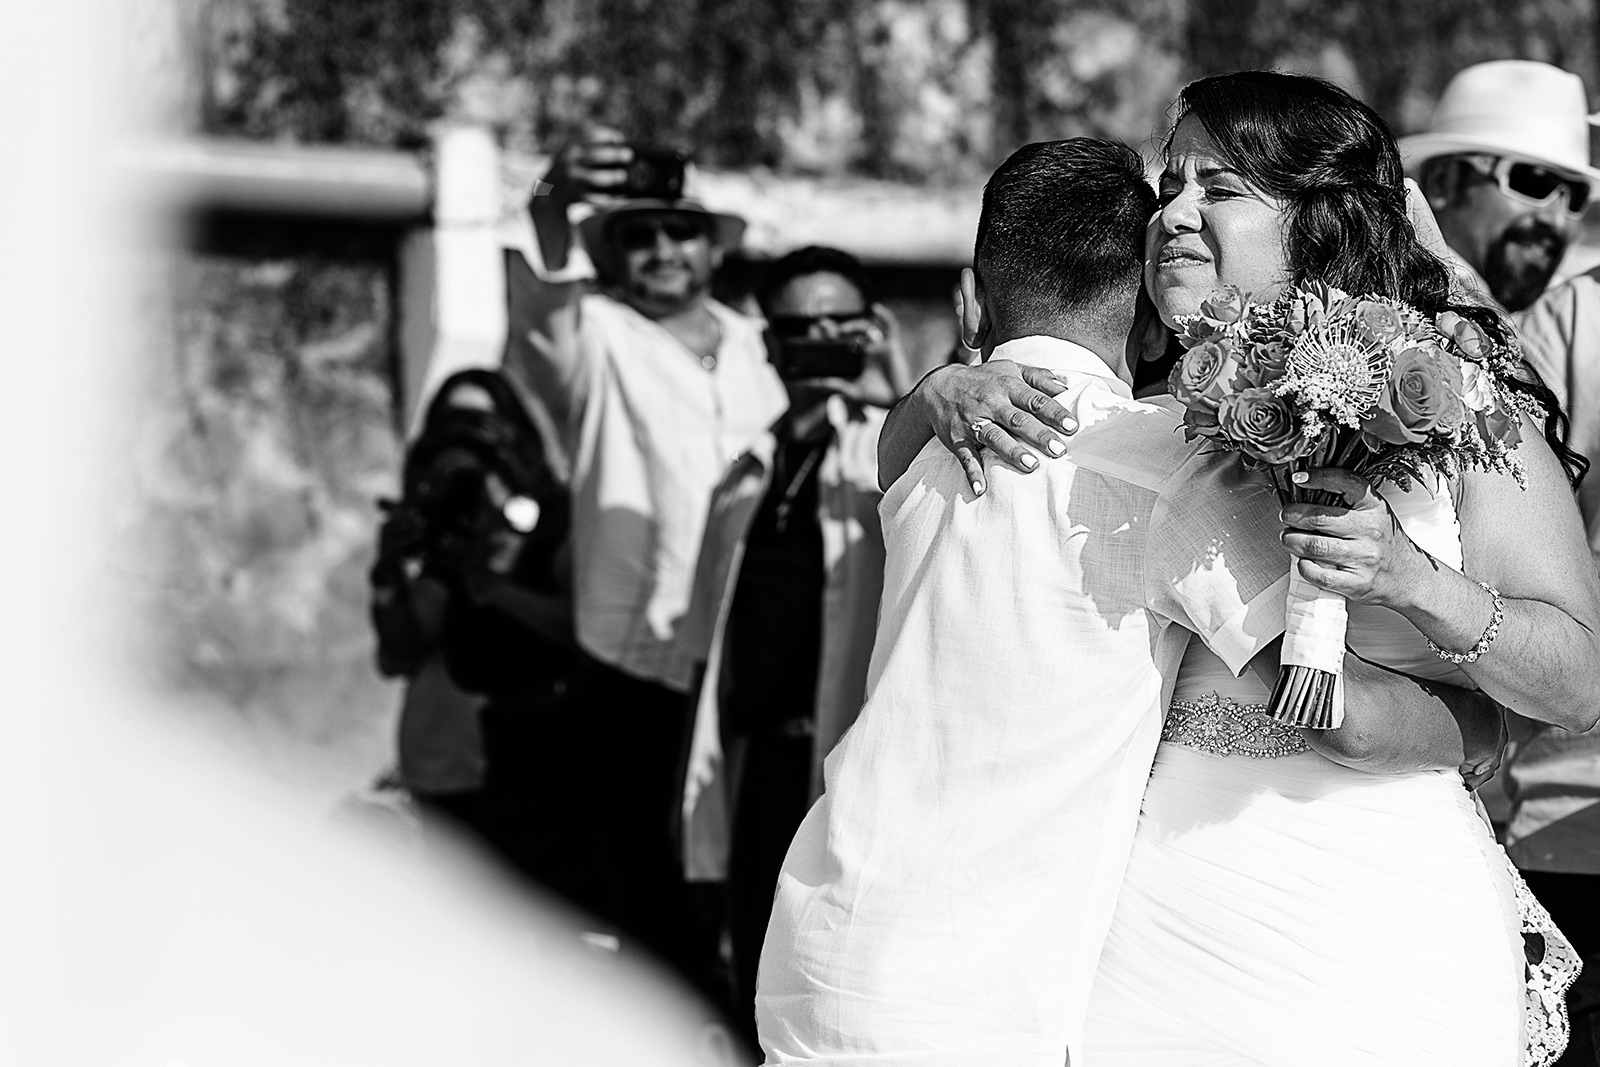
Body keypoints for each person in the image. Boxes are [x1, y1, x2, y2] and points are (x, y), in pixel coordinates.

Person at [884, 71, 1600, 1065]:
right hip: (1138, 921)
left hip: (1367, 920)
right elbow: (914, 516)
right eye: (1167, 184)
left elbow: (1575, 684)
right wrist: (938, 390)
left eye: (1217, 189)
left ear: (1320, 217)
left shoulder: (1455, 409)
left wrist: (1413, 581)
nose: (1171, 213)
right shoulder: (1118, 408)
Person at [503, 131, 788, 991]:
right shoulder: (595, 334)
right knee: (640, 897)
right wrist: (552, 208)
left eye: (678, 232)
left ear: (710, 246)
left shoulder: (760, 342)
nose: (663, 250)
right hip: (631, 661)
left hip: (743, 658)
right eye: (639, 235)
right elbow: (543, 315)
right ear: (614, 252)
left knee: (747, 882)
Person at [677, 245, 906, 1047]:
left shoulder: (894, 452)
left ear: (869, 333)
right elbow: (712, 644)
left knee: (830, 997)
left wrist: (892, 384)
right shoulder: (744, 473)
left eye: (841, 325)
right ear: (769, 345)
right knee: (749, 989)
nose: (819, 343)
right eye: (800, 328)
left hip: (845, 766)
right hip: (751, 769)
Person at [368, 369, 577, 864]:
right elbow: (398, 653)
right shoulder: (444, 531)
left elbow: (576, 634)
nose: (464, 436)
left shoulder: (553, 522)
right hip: (444, 768)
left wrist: (495, 585)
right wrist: (388, 575)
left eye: (480, 419)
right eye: (450, 420)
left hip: (530, 771)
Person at [1400, 60, 1600, 313]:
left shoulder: (1562, 319)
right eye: (1533, 182)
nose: (1556, 220)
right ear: (1443, 181)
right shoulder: (1380, 305)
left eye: (1576, 196)